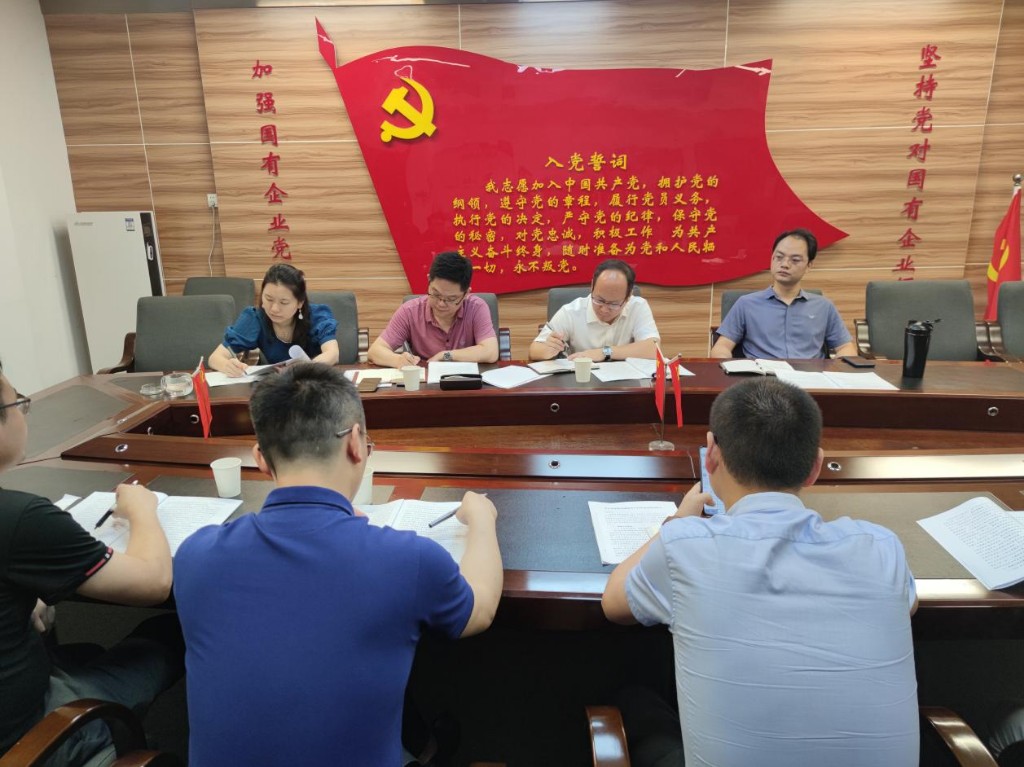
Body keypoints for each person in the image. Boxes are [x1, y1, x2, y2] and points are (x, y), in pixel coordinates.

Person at [173, 363, 503, 766]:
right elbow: (480, 609)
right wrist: (482, 518)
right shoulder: (408, 560)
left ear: (260, 458)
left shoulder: (195, 555)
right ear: (356, 442)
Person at [602, 377, 919, 767]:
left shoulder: (684, 545)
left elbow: (613, 603)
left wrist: (677, 522)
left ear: (711, 455)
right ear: (815, 467)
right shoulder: (882, 548)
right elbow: (904, 607)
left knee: (637, 698)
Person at [0, 358, 183, 765]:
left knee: (84, 648)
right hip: (32, 736)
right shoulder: (18, 519)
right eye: (19, 403)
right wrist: (142, 510)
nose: (24, 414)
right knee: (174, 630)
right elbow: (154, 582)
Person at [711, 228, 857, 359]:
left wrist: (837, 370)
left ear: (809, 266)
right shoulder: (746, 304)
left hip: (810, 376)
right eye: (779, 257)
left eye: (795, 260)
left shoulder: (824, 306)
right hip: (762, 378)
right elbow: (722, 347)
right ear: (772, 259)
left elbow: (846, 347)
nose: (785, 264)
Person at [369, 251, 498, 367]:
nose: (441, 304)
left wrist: (446, 355)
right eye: (436, 294)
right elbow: (375, 351)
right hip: (425, 382)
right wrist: (398, 360)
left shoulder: (476, 308)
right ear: (428, 280)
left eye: (451, 299)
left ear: (466, 294)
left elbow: (490, 352)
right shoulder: (410, 311)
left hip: (465, 382)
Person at [209, 263, 340, 376]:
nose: (274, 309)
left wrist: (305, 370)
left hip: (316, 383)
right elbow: (215, 358)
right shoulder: (254, 318)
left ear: (300, 302)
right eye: (269, 299)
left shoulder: (317, 316)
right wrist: (227, 366)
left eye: (284, 302)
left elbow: (333, 354)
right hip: (277, 387)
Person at [529, 259, 659, 362]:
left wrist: (604, 352)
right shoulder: (571, 311)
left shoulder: (638, 306)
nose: (604, 309)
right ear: (592, 286)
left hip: (627, 384)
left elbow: (653, 348)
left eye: (614, 304)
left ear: (628, 296)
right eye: (599, 300)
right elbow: (534, 350)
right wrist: (548, 349)